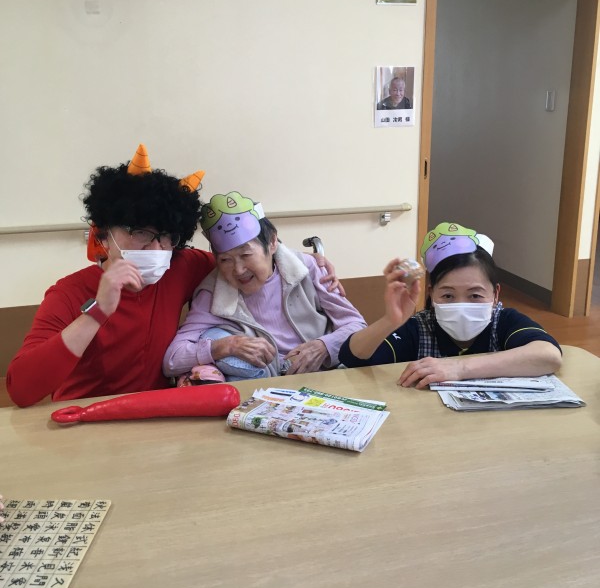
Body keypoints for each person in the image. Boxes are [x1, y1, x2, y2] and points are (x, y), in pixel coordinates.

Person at [7, 147, 342, 408]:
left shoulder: (179, 267)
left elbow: (243, 256)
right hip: (85, 418)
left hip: (159, 413)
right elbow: (21, 390)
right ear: (104, 235)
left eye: (167, 236)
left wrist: (308, 263)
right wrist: (98, 311)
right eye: (140, 232)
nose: (156, 248)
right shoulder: (68, 293)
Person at [163, 190, 367, 380]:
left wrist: (323, 346)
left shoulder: (307, 268)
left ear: (272, 242)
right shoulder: (212, 292)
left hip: (324, 378)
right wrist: (225, 346)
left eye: (246, 255)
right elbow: (172, 359)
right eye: (225, 260)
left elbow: (357, 326)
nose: (238, 270)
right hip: (264, 387)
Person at [338, 221, 562, 388]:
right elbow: (353, 357)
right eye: (447, 296)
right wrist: (390, 320)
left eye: (475, 296)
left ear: (495, 295)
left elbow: (548, 355)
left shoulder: (504, 321)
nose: (461, 306)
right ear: (431, 294)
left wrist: (459, 367)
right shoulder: (420, 328)